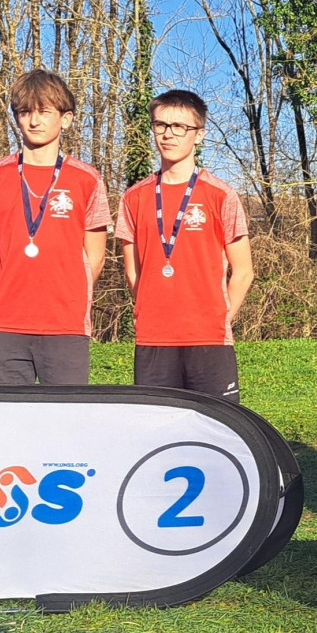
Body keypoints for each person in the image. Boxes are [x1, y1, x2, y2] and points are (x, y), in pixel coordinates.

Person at [0, 69, 110, 385]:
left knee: (65, 414)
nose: (34, 121)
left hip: (66, 327)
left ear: (66, 119)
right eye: (25, 112)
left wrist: (64, 294)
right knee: (8, 414)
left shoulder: (88, 179)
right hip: (3, 326)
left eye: (44, 112)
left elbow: (95, 258)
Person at [116, 89, 253, 401]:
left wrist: (219, 319)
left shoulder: (221, 195)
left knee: (218, 424)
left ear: (199, 134)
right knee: (156, 425)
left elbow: (243, 271)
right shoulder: (134, 198)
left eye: (179, 127)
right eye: (161, 125)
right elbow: (133, 272)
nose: (168, 134)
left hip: (209, 339)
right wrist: (152, 312)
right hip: (154, 339)